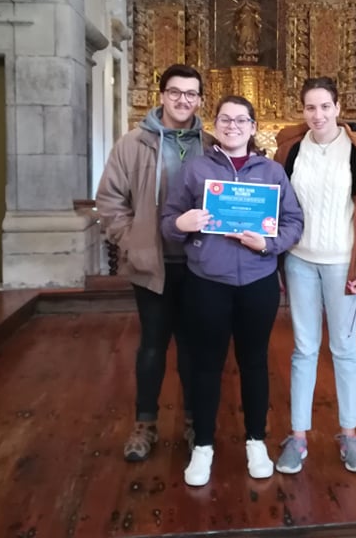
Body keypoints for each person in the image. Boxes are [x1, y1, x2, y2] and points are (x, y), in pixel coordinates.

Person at [162, 95, 304, 487]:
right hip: (207, 282)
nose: (233, 126)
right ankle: (203, 445)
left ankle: (256, 441)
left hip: (258, 283)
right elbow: (168, 220)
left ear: (253, 127)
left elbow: (293, 221)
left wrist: (269, 244)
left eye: (241, 120)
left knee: (254, 362)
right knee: (206, 365)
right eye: (225, 119)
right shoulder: (196, 169)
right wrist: (182, 224)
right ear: (215, 125)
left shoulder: (272, 172)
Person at [272, 76, 356, 475]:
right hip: (300, 261)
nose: (318, 115)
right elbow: (275, 202)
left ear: (339, 107)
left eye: (325, 106)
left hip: (344, 263)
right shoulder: (290, 151)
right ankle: (298, 436)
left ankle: (349, 433)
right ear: (302, 109)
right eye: (310, 107)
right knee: (304, 349)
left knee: (344, 348)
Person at [96, 64, 212, 462]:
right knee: (152, 346)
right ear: (162, 95)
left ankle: (195, 420)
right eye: (175, 92)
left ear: (200, 100)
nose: (183, 100)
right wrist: (133, 242)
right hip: (153, 263)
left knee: (193, 348)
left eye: (191, 94)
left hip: (198, 265)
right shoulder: (132, 144)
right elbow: (110, 200)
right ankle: (145, 423)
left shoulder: (211, 144)